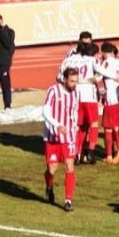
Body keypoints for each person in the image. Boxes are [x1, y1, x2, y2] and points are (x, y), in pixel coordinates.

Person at [43, 68, 81, 211]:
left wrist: (75, 130)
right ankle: (49, 186)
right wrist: (57, 125)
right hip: (53, 136)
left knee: (69, 165)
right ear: (64, 79)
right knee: (52, 169)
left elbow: (75, 112)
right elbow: (45, 111)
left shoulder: (76, 93)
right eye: (71, 81)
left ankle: (68, 200)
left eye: (76, 81)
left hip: (69, 136)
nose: (74, 84)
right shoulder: (53, 91)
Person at [59, 43, 101, 163]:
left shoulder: (69, 60)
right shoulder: (92, 60)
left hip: (75, 96)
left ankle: (77, 154)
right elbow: (101, 73)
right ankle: (91, 152)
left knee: (78, 126)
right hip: (89, 96)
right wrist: (92, 79)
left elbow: (60, 76)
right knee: (93, 124)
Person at [95, 42, 119, 164]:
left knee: (109, 129)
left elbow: (97, 78)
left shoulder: (106, 62)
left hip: (112, 99)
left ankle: (111, 155)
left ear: (104, 53)